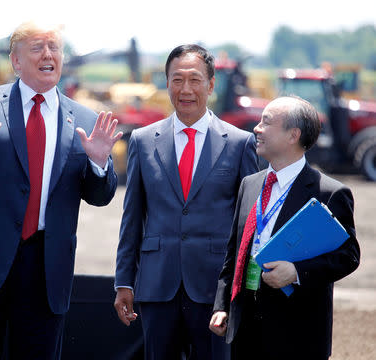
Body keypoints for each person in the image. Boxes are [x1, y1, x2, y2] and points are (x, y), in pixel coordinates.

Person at [0, 21, 122, 359]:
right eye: (37, 47)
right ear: (16, 61)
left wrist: (98, 163)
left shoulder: (84, 118)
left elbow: (100, 195)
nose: (48, 55)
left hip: (46, 272)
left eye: (55, 48)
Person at [114, 44, 258, 359]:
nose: (186, 89)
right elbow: (132, 217)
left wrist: (244, 288)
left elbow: (250, 224)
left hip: (213, 290)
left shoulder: (238, 143)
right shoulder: (141, 140)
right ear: (166, 83)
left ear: (210, 85)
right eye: (177, 80)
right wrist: (124, 280)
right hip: (157, 286)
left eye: (195, 80)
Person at [209, 96, 360, 360]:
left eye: (266, 122)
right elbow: (234, 253)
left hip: (297, 336)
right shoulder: (250, 184)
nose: (256, 128)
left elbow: (348, 257)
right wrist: (222, 305)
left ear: (293, 135)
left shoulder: (329, 193)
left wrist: (297, 273)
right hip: (244, 333)